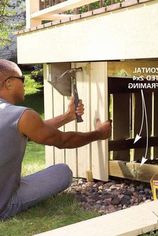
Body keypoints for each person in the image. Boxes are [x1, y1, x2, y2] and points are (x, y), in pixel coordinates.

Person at [0, 59, 112, 220]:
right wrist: (99, 133)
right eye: (22, 79)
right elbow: (63, 140)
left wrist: (68, 116)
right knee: (63, 172)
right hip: (3, 204)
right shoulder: (22, 115)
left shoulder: (14, 117)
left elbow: (32, 130)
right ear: (9, 83)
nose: (24, 84)